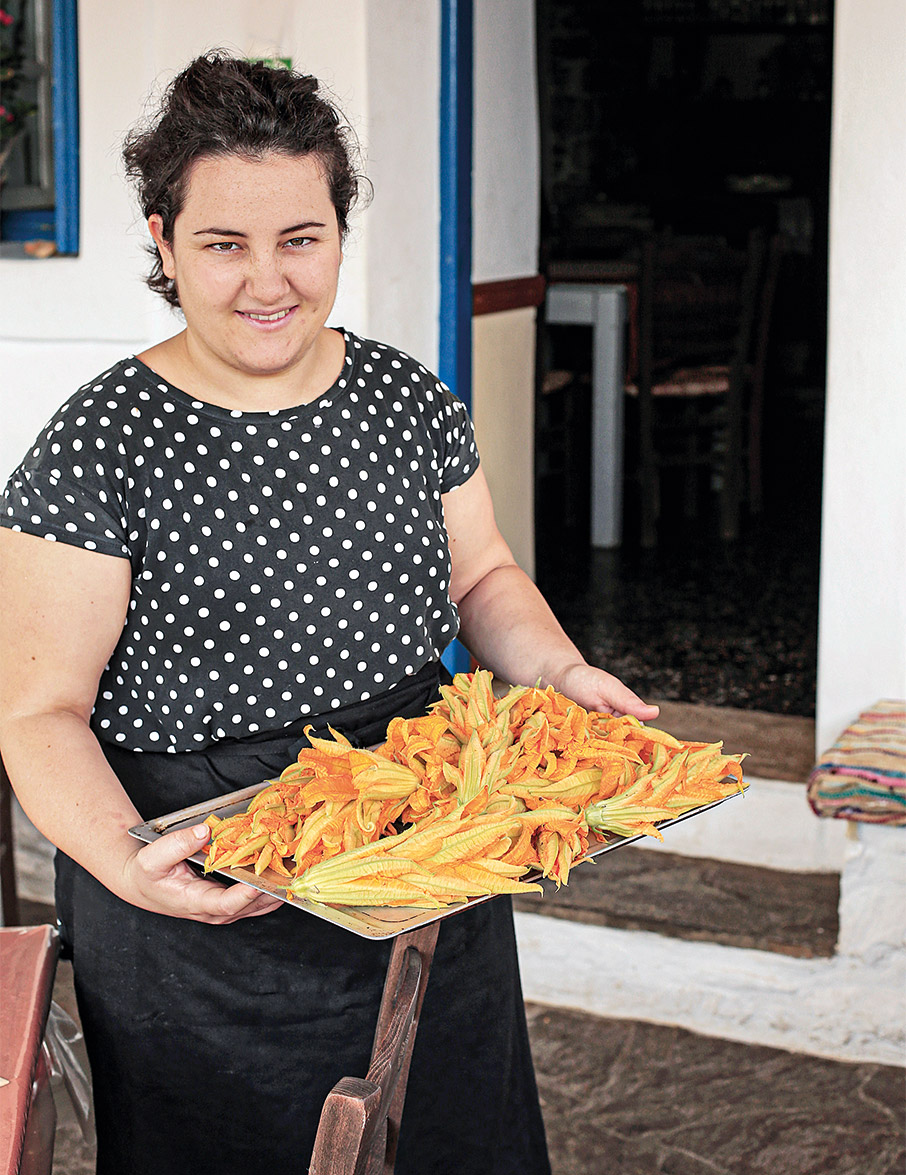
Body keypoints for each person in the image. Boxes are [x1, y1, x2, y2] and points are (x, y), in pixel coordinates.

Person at [0, 53, 658, 1175]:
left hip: (423, 856)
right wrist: (126, 860)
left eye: (301, 238)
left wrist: (559, 672)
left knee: (450, 1138)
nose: (269, 281)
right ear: (164, 241)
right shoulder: (100, 445)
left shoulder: (408, 398)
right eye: (224, 243)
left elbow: (482, 579)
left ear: (340, 233)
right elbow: (38, 711)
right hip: (207, 895)